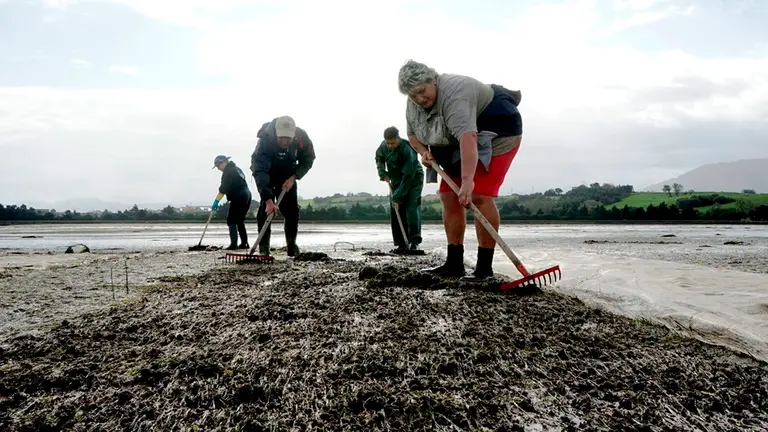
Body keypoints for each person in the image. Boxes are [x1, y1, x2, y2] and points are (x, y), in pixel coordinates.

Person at [397, 60, 523, 282]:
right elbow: (413, 136)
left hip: (499, 131)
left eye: (422, 91)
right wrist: (423, 152)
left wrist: (467, 181)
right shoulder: (414, 103)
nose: (419, 99)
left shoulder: (455, 94)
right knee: (448, 195)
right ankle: (454, 263)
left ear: (433, 80)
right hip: (455, 143)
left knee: (478, 195)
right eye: (412, 95)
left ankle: (484, 269)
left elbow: (468, 137)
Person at [250, 115, 316, 257]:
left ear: (294, 134)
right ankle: (264, 248)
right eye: (282, 138)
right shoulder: (265, 141)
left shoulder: (301, 138)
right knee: (265, 211)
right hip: (267, 173)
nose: (285, 141)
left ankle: (291, 246)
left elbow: (308, 159)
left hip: (288, 175)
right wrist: (268, 200)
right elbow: (259, 171)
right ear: (276, 134)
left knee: (292, 211)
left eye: (288, 138)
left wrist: (294, 177)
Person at [375, 126, 424, 251]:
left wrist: (397, 196)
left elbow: (408, 176)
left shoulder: (407, 149)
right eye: (388, 143)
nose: (390, 146)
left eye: (393, 143)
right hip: (395, 178)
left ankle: (414, 242)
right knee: (396, 208)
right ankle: (402, 243)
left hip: (413, 179)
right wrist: (382, 173)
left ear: (398, 139)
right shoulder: (383, 146)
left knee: (411, 206)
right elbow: (379, 157)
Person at [212, 155, 252, 250]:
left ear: (223, 162)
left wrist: (216, 201)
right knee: (240, 220)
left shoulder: (228, 171)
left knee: (231, 219)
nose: (218, 169)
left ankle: (233, 245)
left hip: (239, 195)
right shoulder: (236, 169)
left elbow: (223, 188)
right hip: (247, 194)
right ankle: (244, 243)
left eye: (218, 166)